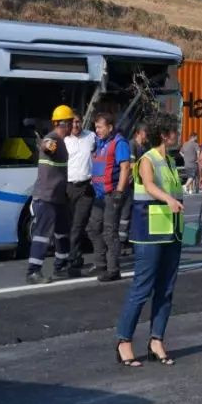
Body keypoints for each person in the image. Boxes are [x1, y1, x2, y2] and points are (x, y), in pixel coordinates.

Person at [114, 112, 184, 367]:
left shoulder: (171, 161)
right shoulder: (148, 159)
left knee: (166, 289)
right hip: (149, 234)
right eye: (174, 131)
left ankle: (157, 340)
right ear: (164, 134)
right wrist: (168, 199)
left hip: (171, 232)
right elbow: (150, 185)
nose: (177, 134)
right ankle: (124, 340)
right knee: (142, 289)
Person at [26, 105, 73, 285]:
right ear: (64, 123)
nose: (72, 126)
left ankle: (61, 266)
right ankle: (33, 272)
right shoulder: (52, 139)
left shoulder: (60, 141)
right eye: (70, 122)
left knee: (62, 232)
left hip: (58, 198)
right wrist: (46, 145)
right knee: (42, 234)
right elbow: (47, 146)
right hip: (46, 198)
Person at [87, 112, 131, 282]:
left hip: (111, 193)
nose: (96, 130)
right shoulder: (100, 143)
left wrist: (119, 192)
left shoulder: (119, 143)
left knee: (109, 231)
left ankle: (113, 269)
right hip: (99, 194)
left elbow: (125, 167)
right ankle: (101, 263)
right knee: (92, 228)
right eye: (95, 127)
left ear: (110, 127)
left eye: (100, 127)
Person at [64, 112, 96, 272]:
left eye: (78, 122)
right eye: (73, 122)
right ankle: (69, 257)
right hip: (69, 188)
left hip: (86, 187)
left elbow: (98, 155)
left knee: (78, 224)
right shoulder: (64, 140)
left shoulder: (91, 137)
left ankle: (74, 259)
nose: (76, 125)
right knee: (70, 225)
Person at [117, 122, 148, 256]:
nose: (147, 136)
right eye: (145, 133)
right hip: (129, 185)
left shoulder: (144, 147)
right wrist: (146, 166)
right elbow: (130, 164)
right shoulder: (132, 145)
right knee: (126, 213)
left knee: (135, 213)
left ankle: (131, 239)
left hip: (138, 185)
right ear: (138, 133)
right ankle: (122, 242)